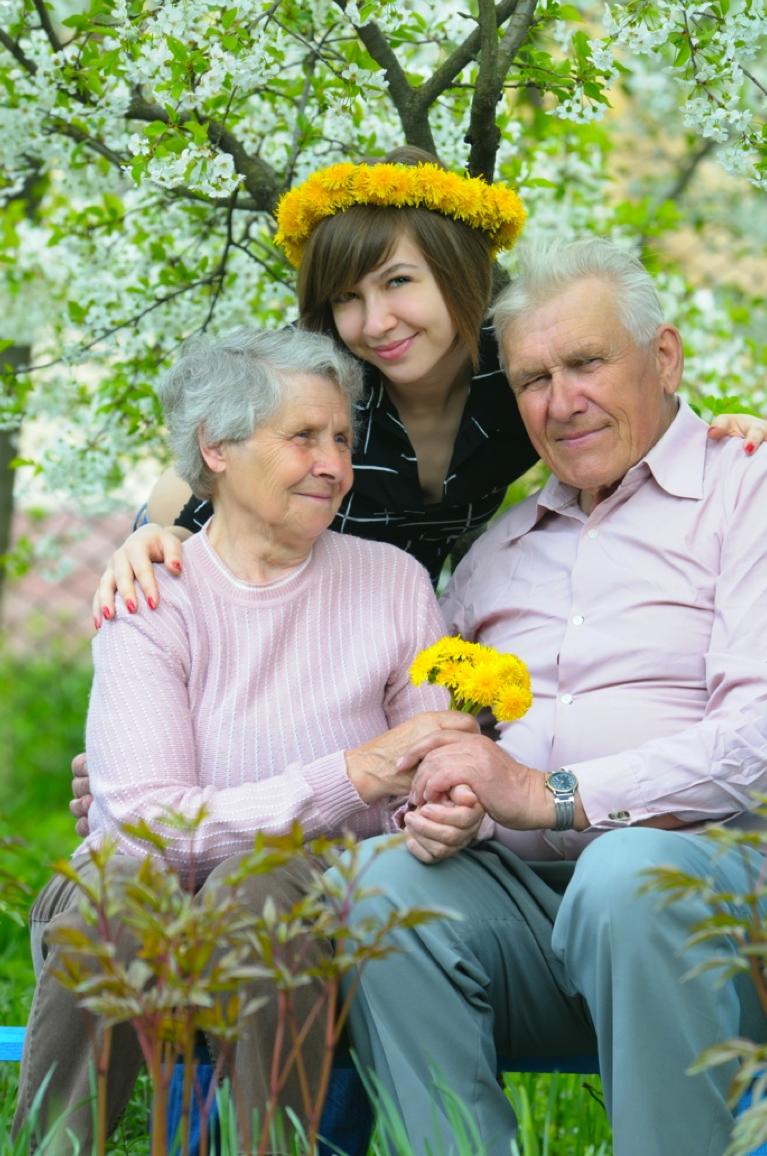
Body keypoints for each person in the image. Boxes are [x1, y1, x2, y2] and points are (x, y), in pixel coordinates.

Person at [338, 238, 767, 1156]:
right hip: (534, 916)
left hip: (722, 905)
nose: (559, 402)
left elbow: (758, 739)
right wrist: (447, 802)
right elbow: (413, 726)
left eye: (585, 363)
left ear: (663, 357)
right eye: (532, 378)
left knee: (627, 874)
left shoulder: (748, 488)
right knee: (384, 886)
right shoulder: (498, 548)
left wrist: (551, 794)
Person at [13, 326, 483, 1153]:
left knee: (262, 891)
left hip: (301, 908)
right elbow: (143, 830)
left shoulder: (393, 584)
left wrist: (444, 806)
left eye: (341, 437)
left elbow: (425, 777)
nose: (334, 463)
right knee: (119, 892)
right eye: (303, 436)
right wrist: (346, 777)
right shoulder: (152, 592)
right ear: (217, 447)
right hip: (136, 900)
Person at [88, 146, 767, 627]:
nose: (374, 323)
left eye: (398, 282)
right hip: (268, 608)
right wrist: (150, 537)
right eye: (347, 297)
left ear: (455, 273)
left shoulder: (521, 370)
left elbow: (627, 403)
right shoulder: (320, 386)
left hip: (413, 625)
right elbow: (206, 466)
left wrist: (722, 428)